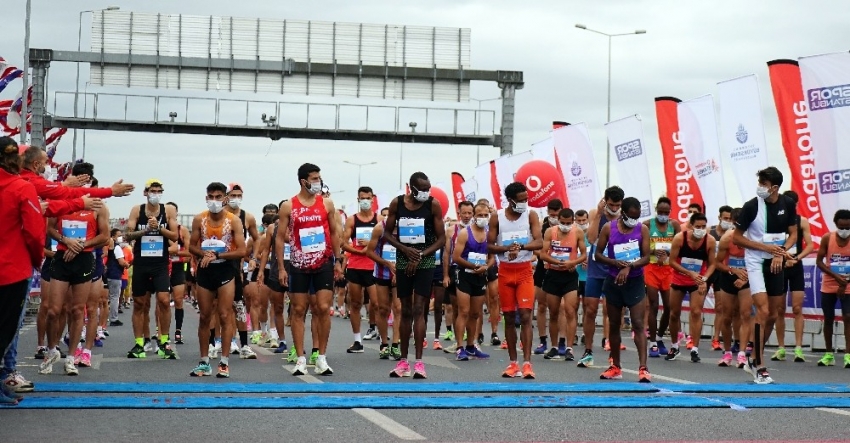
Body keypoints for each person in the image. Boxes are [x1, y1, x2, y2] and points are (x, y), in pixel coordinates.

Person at [276, 164, 343, 376]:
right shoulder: (289, 206)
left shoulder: (327, 203)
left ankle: (321, 357)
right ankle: (300, 358)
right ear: (303, 181)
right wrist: (281, 268)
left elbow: (334, 232)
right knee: (298, 310)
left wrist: (338, 259)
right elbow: (279, 237)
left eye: (319, 178)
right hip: (298, 265)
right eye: (314, 178)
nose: (318, 182)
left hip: (323, 263)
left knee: (323, 308)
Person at [732, 167, 797, 384]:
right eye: (759, 182)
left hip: (776, 262)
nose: (760, 186)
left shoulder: (787, 203)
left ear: (775, 188)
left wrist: (781, 252)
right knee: (763, 309)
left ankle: (752, 352)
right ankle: (759, 364)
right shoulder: (752, 206)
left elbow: (793, 234)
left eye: (763, 183)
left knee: (774, 313)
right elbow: (737, 238)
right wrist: (765, 249)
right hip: (756, 261)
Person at [41, 179, 110, 375]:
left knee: (78, 310)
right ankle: (52, 350)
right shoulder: (61, 201)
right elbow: (50, 229)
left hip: (84, 259)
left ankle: (71, 358)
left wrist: (81, 245)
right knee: (54, 310)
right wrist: (66, 240)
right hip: (62, 258)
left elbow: (104, 236)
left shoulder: (98, 206)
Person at [383, 172, 447, 379]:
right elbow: (386, 234)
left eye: (429, 189)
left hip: (425, 260)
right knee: (405, 310)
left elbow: (442, 239)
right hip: (403, 260)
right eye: (423, 190)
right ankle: (403, 362)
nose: (426, 193)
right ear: (411, 188)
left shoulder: (432, 205)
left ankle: (419, 363)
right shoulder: (397, 204)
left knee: (420, 309)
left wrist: (420, 254)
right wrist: (404, 249)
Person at [0, 137, 45, 405]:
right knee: (5, 332)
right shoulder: (21, 188)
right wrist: (37, 260)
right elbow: (34, 232)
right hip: (11, 271)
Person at [187, 182, 248, 378]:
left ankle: (224, 361)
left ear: (225, 198)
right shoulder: (199, 219)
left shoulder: (234, 221)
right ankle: (204, 362)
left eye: (218, 197)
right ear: (206, 199)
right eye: (211, 197)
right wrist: (204, 253)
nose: (214, 201)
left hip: (225, 271)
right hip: (205, 271)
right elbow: (191, 246)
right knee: (205, 316)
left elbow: (242, 250)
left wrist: (219, 256)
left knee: (224, 314)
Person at [487, 182, 543, 379]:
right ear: (510, 201)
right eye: (521, 200)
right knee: (509, 318)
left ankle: (527, 364)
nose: (525, 203)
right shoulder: (497, 217)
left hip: (524, 271)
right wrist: (507, 249)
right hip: (505, 272)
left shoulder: (531, 215)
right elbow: (490, 245)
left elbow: (539, 241)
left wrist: (521, 248)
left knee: (526, 316)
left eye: (526, 199)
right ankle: (513, 364)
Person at [594, 197, 652, 383]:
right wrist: (615, 263)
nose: (634, 220)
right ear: (623, 213)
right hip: (613, 281)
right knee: (614, 323)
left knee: (637, 322)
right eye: (631, 216)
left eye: (637, 217)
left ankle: (643, 368)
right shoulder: (608, 228)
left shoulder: (642, 229)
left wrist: (630, 267)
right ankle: (615, 366)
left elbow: (646, 257)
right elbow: (598, 254)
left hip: (634, 281)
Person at [124, 179, 179, 360]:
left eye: (158, 191)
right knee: (140, 303)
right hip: (141, 262)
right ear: (145, 193)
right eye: (152, 191)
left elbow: (175, 236)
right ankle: (140, 343)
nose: (155, 194)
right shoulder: (137, 210)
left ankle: (164, 341)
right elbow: (128, 234)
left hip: (160, 263)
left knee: (163, 300)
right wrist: (146, 230)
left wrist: (160, 230)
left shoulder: (168, 210)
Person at [580, 186, 625, 368]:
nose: (614, 208)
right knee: (590, 310)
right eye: (611, 205)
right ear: (605, 201)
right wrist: (599, 214)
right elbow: (591, 239)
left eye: (617, 205)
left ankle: (612, 351)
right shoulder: (595, 213)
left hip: (614, 270)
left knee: (613, 312)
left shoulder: (624, 218)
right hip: (596, 270)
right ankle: (588, 351)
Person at [666, 212, 716, 363]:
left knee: (696, 312)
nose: (701, 229)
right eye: (698, 227)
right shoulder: (680, 238)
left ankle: (695, 348)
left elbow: (713, 263)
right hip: (679, 279)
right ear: (691, 226)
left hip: (698, 281)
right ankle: (675, 346)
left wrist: (704, 279)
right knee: (674, 313)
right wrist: (689, 273)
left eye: (703, 226)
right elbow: (672, 261)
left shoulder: (710, 241)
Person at [539, 208, 586, 361]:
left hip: (570, 275)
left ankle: (569, 348)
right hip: (553, 274)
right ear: (558, 220)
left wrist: (572, 262)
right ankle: (553, 346)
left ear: (573, 221)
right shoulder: (550, 232)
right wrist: (558, 262)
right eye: (563, 223)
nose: (565, 226)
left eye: (568, 223)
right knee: (553, 313)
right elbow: (543, 254)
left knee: (570, 311)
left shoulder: (578, 232)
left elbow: (584, 254)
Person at [772, 190, 814, 362]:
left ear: (795, 204)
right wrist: (781, 258)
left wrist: (796, 259)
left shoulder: (801, 221)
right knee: (779, 309)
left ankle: (798, 348)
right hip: (779, 265)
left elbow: (810, 245)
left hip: (795, 265)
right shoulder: (776, 220)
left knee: (797, 309)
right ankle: (781, 348)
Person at [450, 202, 494, 361]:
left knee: (475, 313)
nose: (483, 218)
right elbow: (455, 257)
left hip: (480, 276)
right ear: (474, 216)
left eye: (485, 215)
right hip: (464, 274)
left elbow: (492, 257)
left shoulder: (490, 234)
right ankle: (459, 347)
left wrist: (485, 268)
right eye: (480, 215)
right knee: (464, 311)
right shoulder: (464, 233)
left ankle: (470, 345)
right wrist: (472, 266)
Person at [341, 187, 380, 353]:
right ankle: (357, 340)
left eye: (368, 197)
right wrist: (360, 251)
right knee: (355, 303)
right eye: (362, 198)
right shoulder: (352, 220)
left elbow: (385, 241)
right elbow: (343, 243)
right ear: (358, 199)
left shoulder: (378, 219)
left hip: (373, 266)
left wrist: (371, 247)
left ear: (372, 199)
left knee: (377, 303)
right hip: (356, 266)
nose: (365, 200)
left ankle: (380, 335)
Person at [643, 197, 681, 358]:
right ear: (656, 210)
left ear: (670, 212)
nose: (663, 215)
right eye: (660, 212)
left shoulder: (674, 226)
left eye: (666, 212)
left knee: (669, 307)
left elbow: (680, 247)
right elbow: (640, 247)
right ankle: (652, 342)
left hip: (668, 269)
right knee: (653, 304)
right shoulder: (647, 225)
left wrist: (669, 253)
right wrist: (653, 252)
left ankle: (659, 337)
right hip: (651, 268)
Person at [714, 208, 751, 368]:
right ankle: (728, 351)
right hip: (728, 277)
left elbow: (760, 262)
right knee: (727, 316)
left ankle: (742, 353)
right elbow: (717, 263)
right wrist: (732, 270)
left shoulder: (753, 238)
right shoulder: (726, 239)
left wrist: (746, 277)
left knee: (745, 315)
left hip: (747, 278)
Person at [814, 209, 850, 369]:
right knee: (828, 318)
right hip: (829, 283)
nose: (844, 231)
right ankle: (829, 354)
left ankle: (848, 354)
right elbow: (819, 261)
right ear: (836, 225)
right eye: (841, 227)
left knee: (848, 317)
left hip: (848, 284)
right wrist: (835, 277)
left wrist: (845, 283)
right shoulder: (828, 238)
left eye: (848, 227)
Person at [533, 199, 564, 355]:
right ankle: (543, 340)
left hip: (561, 269)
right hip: (543, 268)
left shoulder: (567, 227)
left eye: (556, 213)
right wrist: (546, 258)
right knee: (542, 305)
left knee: (561, 307)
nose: (553, 216)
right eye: (551, 213)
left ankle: (562, 341)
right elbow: (535, 249)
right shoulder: (541, 225)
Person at [166, 202, 192, 344]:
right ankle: (160, 331)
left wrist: (177, 252)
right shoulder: (160, 229)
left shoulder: (183, 231)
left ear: (176, 214)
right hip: (163, 267)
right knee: (162, 301)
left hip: (178, 268)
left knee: (178, 300)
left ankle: (178, 331)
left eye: (173, 212)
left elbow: (189, 252)